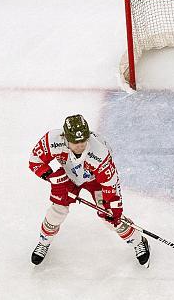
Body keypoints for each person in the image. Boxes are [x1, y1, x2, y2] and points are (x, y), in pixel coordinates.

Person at [28, 114, 150, 267]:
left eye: (83, 141)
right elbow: (35, 161)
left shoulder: (99, 152)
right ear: (65, 138)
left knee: (110, 218)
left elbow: (110, 184)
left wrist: (114, 209)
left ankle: (138, 241)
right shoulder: (52, 140)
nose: (80, 145)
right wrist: (53, 177)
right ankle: (43, 242)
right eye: (75, 142)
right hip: (68, 177)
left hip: (96, 181)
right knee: (56, 212)